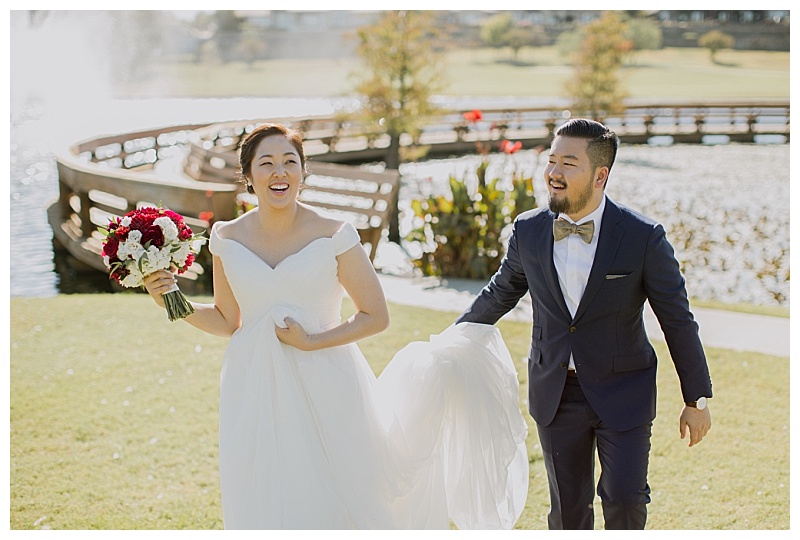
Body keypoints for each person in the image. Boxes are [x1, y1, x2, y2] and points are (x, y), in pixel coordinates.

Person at [143, 123, 529, 529]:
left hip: (327, 381)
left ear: (303, 172)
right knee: (263, 496)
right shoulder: (225, 237)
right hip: (253, 385)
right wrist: (172, 302)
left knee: (339, 500)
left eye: (290, 162)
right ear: (249, 175)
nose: (280, 172)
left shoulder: (334, 234)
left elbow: (376, 315)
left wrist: (312, 342)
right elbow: (227, 320)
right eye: (267, 163)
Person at [455, 118, 713, 530]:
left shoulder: (643, 237)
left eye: (568, 163)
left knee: (626, 500)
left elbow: (677, 320)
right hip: (555, 393)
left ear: (600, 174)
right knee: (568, 514)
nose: (554, 173)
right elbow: (499, 293)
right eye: (552, 160)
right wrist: (453, 341)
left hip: (624, 390)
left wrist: (695, 399)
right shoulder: (529, 230)